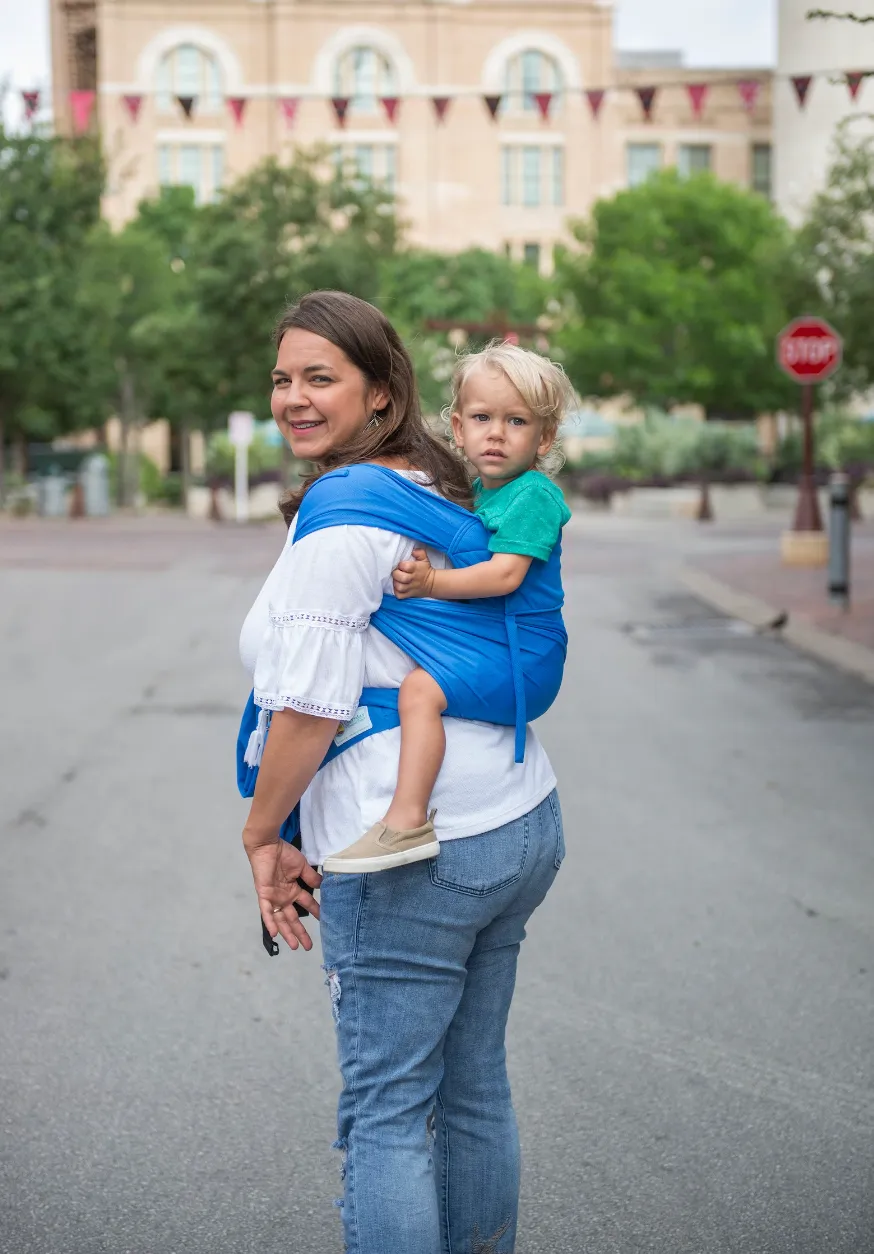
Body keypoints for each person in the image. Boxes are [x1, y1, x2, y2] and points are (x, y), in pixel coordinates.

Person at [239, 290, 565, 1254]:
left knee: (386, 1117)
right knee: (471, 1092)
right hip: (517, 821)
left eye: (321, 379)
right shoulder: (437, 483)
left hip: (413, 852)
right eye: (282, 379)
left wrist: (263, 834)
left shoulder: (345, 516)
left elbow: (308, 709)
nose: (294, 398)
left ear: (381, 394)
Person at [321, 342, 573, 875]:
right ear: (458, 429)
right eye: (482, 417)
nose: (496, 433)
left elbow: (506, 574)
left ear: (544, 438)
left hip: (524, 652)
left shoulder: (533, 496)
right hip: (503, 641)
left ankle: (407, 820)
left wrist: (432, 581)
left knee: (419, 690)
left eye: (517, 421)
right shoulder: (482, 491)